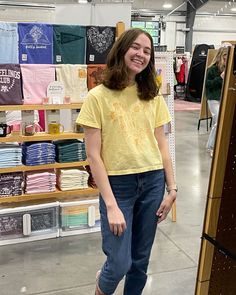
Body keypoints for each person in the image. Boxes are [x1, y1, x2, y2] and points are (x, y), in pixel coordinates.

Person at [77, 28, 177, 295]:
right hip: (118, 186)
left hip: (153, 181)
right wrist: (110, 205)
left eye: (147, 51)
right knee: (120, 262)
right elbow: (93, 156)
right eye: (135, 47)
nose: (140, 54)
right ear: (121, 50)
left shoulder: (152, 96)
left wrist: (172, 189)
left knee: (140, 262)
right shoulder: (97, 96)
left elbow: (162, 146)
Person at [205, 46, 228, 156]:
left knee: (221, 122)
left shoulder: (228, 68)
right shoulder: (212, 69)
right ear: (220, 56)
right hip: (213, 99)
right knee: (217, 121)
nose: (226, 59)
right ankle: (211, 146)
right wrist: (220, 78)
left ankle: (218, 146)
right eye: (225, 56)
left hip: (224, 98)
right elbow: (208, 85)